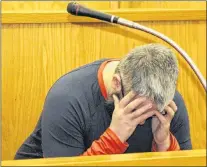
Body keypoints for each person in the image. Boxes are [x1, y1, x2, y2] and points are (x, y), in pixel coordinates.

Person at [15, 43, 192, 159]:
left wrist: (164, 144)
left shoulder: (168, 104)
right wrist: (114, 139)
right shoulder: (67, 98)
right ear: (116, 83)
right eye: (136, 109)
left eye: (154, 111)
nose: (144, 120)